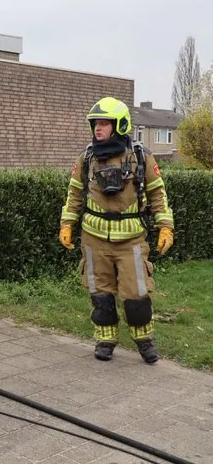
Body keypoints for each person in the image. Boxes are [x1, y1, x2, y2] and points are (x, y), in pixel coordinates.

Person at [59, 97, 174, 364]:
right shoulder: (87, 158)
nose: (98, 128)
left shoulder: (140, 157)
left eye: (104, 123)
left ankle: (144, 341)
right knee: (100, 294)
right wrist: (66, 224)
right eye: (95, 124)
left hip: (131, 241)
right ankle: (106, 340)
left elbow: (157, 195)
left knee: (136, 295)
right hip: (93, 240)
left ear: (119, 125)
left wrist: (165, 227)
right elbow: (74, 194)